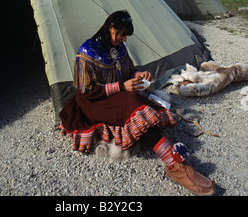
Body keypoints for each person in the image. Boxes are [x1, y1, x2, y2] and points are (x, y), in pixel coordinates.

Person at [59, 10, 215, 196]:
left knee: (137, 105)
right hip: (93, 102)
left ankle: (174, 162)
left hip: (116, 94)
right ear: (111, 27)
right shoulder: (87, 52)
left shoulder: (118, 47)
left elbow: (128, 70)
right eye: (122, 34)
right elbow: (86, 91)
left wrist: (138, 75)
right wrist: (121, 87)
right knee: (134, 103)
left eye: (126, 35)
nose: (124, 39)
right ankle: (173, 164)